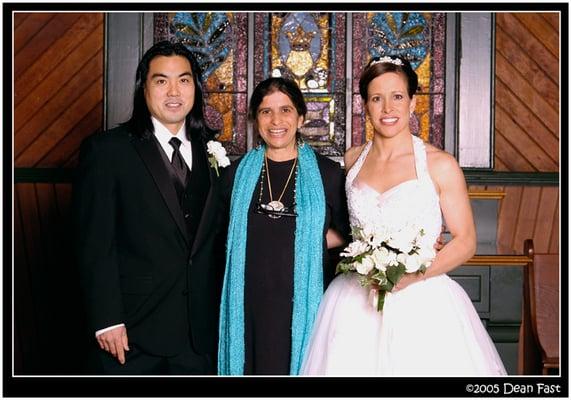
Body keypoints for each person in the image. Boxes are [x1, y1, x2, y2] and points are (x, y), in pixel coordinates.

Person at [300, 56, 506, 375]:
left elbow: (466, 242)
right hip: (355, 298)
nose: (388, 108)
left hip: (422, 299)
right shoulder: (352, 159)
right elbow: (342, 228)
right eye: (376, 98)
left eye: (397, 97)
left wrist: (411, 276)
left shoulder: (439, 164)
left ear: (411, 103)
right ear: (365, 106)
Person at [73, 41, 226, 374]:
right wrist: (106, 319)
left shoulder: (212, 151)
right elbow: (95, 244)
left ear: (196, 89)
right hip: (130, 332)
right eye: (161, 80)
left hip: (197, 337)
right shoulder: (107, 151)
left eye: (184, 80)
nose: (174, 91)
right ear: (144, 87)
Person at [217, 77, 351, 375]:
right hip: (247, 306)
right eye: (266, 111)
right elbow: (217, 240)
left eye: (286, 110)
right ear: (255, 119)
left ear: (301, 117)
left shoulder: (328, 175)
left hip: (301, 304)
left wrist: (312, 239)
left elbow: (349, 237)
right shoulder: (234, 175)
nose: (276, 120)